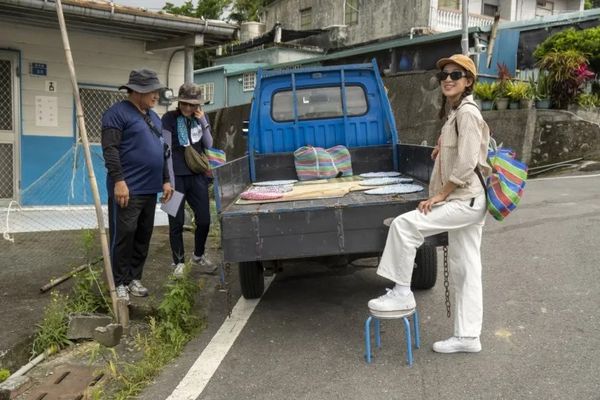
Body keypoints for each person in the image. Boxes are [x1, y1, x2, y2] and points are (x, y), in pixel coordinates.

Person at [368, 54, 492, 354]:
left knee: (404, 225)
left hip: (464, 199)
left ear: (468, 81)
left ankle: (401, 291)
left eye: (455, 74)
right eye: (444, 75)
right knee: (465, 268)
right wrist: (442, 147)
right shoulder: (457, 113)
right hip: (471, 200)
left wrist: (440, 195)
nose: (447, 79)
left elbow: (465, 165)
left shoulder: (467, 114)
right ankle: (468, 336)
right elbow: (466, 150)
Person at [101, 69, 173, 301]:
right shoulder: (116, 114)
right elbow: (110, 150)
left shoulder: (154, 118)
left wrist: (165, 180)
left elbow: (162, 151)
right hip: (127, 190)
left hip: (150, 189)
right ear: (138, 91)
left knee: (143, 235)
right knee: (124, 235)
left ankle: (134, 278)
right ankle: (119, 282)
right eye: (152, 91)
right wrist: (119, 181)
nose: (156, 96)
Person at [161, 83, 216, 277]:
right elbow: (165, 151)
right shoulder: (168, 119)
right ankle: (178, 262)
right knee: (175, 223)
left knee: (204, 220)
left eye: (192, 105)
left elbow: (209, 144)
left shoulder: (200, 118)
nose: (187, 108)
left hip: (197, 177)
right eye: (184, 103)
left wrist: (203, 122)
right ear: (179, 102)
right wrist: (168, 180)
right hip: (175, 178)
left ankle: (198, 255)